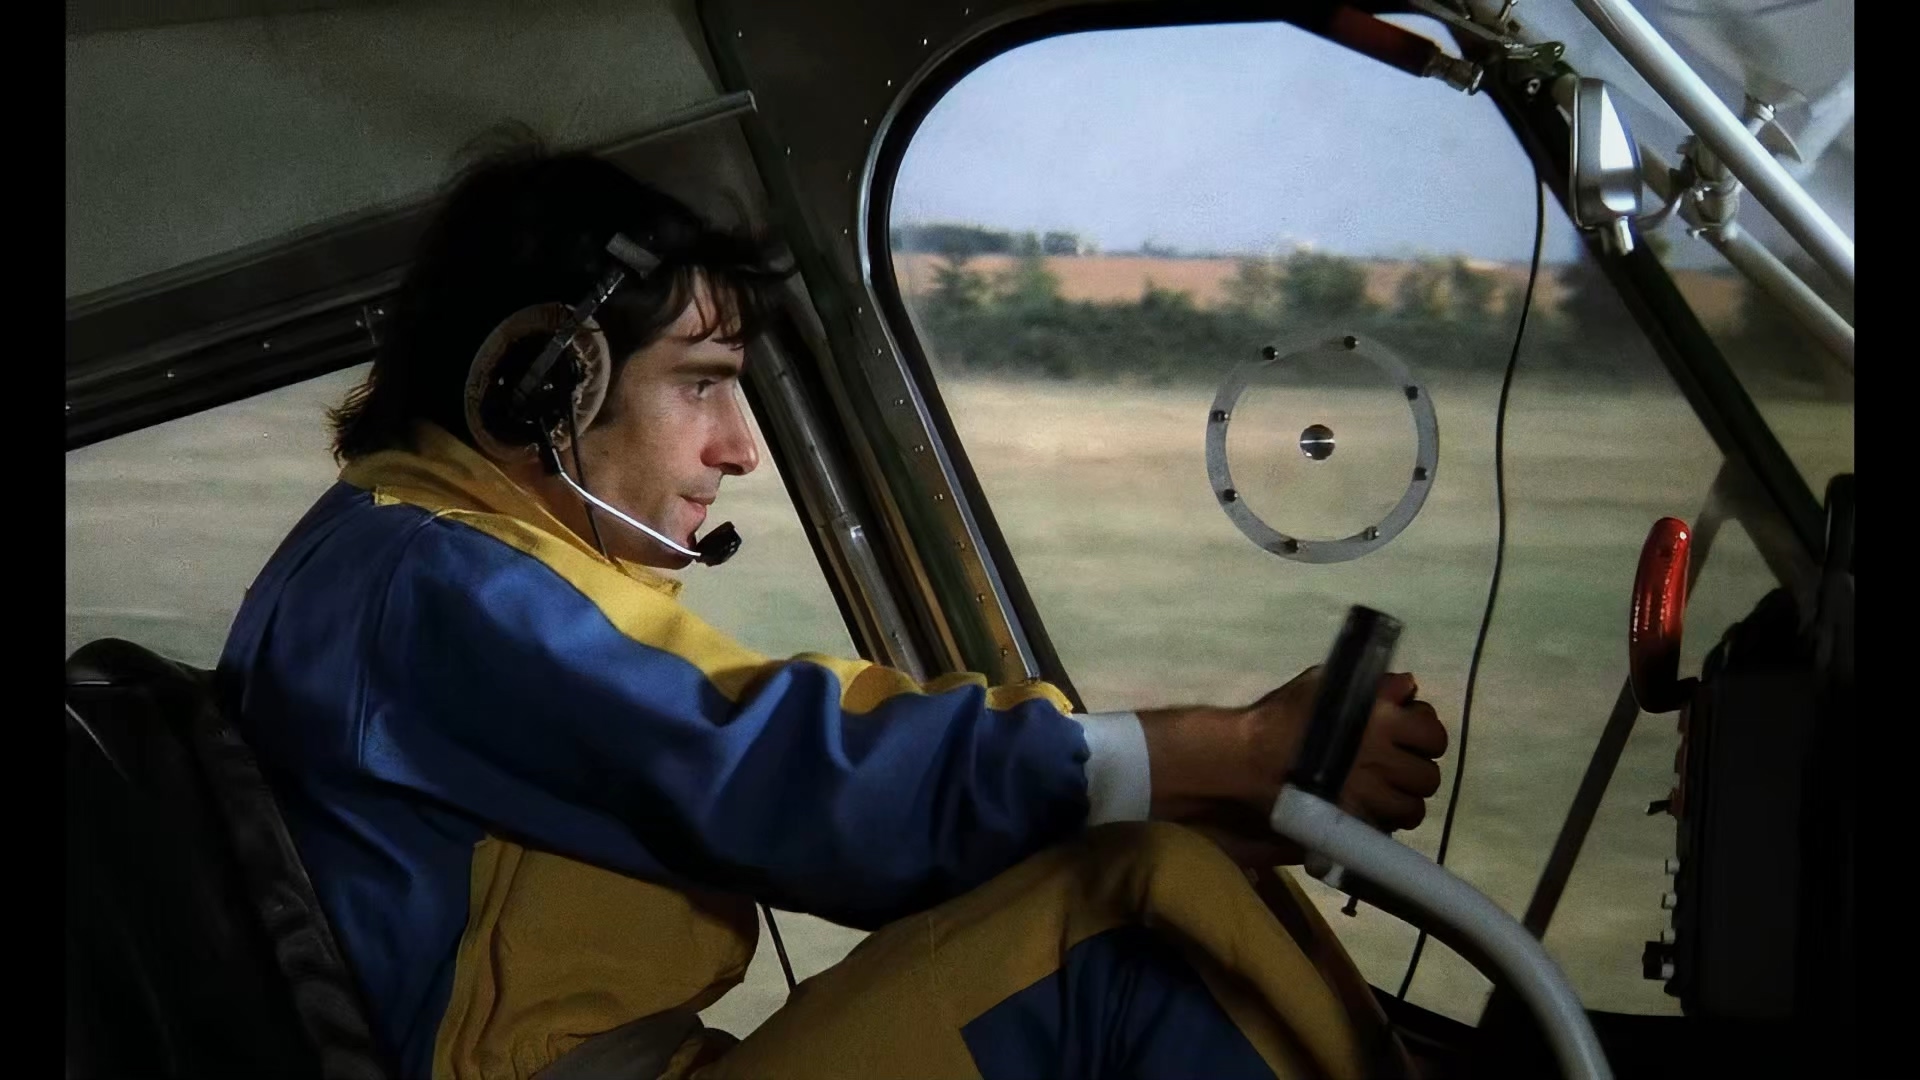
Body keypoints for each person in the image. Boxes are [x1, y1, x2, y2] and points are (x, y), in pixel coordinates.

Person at [217, 139, 1449, 1080]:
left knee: (1173, 861)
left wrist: (1186, 777)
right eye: (701, 386)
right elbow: (778, 768)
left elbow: (781, 730)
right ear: (545, 386)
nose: (740, 447)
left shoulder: (405, 553)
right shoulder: (441, 586)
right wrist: (1208, 749)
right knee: (1134, 906)